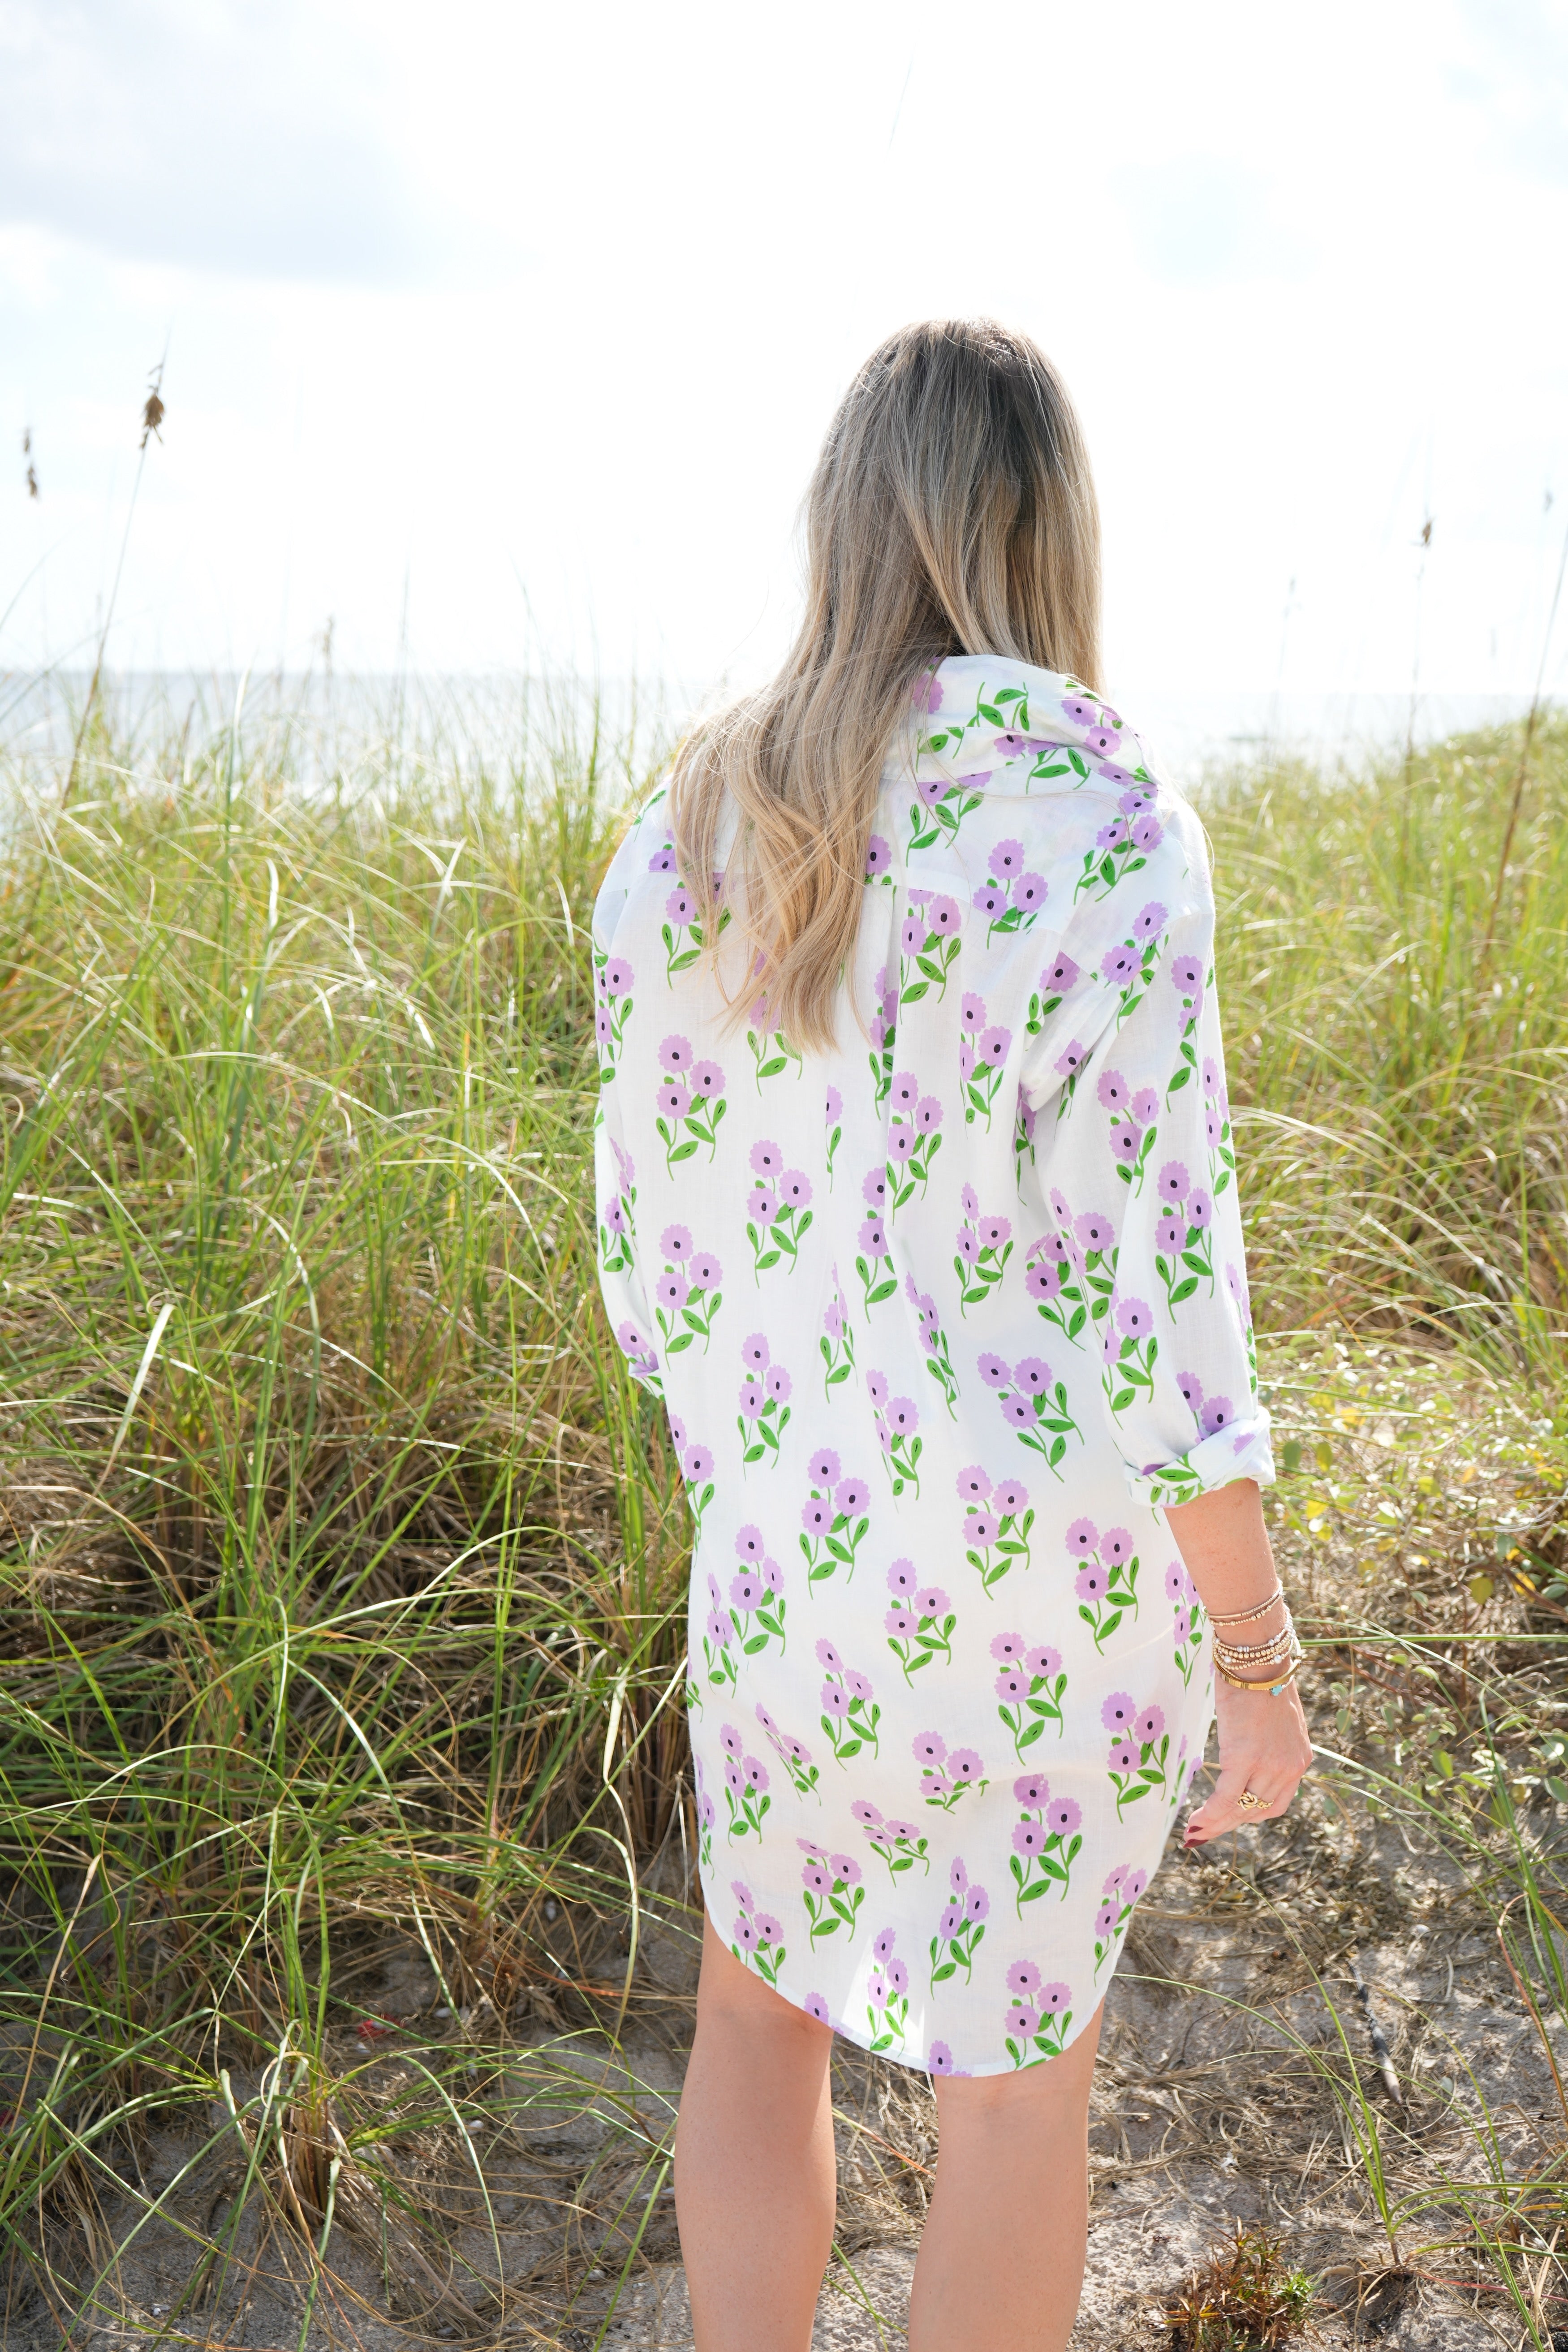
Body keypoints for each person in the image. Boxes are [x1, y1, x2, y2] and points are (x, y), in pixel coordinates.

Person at [590, 318, 1312, 2352]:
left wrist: (776, 1469)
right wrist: (1254, 1649)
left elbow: (649, 1263)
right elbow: (1158, 1288)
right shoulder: (1099, 801)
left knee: (755, 2009)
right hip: (1046, 1593)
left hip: (784, 1561)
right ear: (1046, 529)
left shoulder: (691, 820)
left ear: (840, 520)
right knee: (1008, 2099)